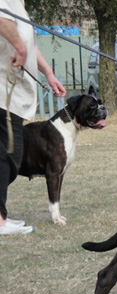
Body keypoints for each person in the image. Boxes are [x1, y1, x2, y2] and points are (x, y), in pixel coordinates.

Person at [0, 0, 66, 236]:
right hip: (2, 92)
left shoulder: (18, 3)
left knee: (11, 157)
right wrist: (19, 47)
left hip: (13, 95)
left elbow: (29, 41)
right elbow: (1, 19)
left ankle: (0, 217)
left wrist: (49, 73)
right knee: (8, 156)